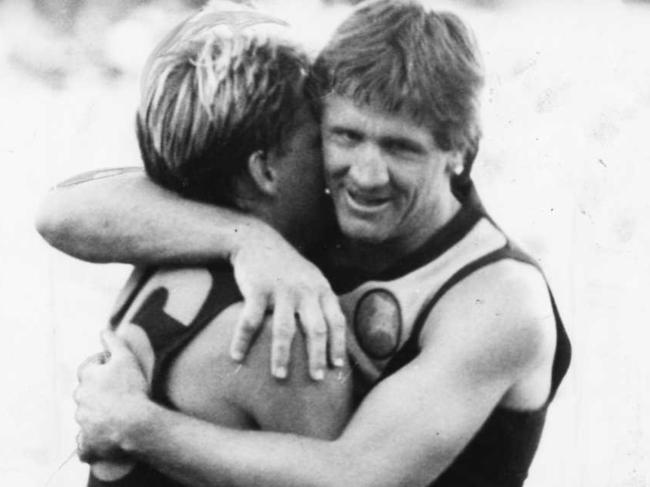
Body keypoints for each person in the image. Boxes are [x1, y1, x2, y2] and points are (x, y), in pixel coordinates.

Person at [37, 1, 571, 485]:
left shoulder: (500, 299)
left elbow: (359, 477)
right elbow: (62, 212)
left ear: (459, 149)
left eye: (401, 148)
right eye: (346, 136)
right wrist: (245, 239)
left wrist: (138, 425)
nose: (366, 175)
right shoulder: (318, 211)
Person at [48, 3, 353, 486]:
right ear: (264, 170)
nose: (340, 164)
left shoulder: (162, 253)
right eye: (319, 142)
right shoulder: (279, 329)